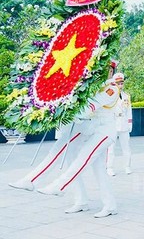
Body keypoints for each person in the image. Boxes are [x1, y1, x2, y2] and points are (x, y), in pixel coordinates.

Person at [10, 69, 121, 218]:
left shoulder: (111, 88)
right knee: (66, 152)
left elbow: (88, 108)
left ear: (111, 70)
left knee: (83, 158)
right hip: (89, 128)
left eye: (106, 68)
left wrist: (61, 112)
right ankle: (96, 203)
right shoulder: (90, 84)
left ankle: (60, 186)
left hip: (103, 131)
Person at [107, 73, 133, 176]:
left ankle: (127, 166)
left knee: (126, 147)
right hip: (113, 122)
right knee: (111, 148)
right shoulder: (109, 93)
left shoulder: (126, 96)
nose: (120, 85)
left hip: (123, 122)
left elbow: (129, 111)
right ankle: (109, 167)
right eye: (118, 83)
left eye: (122, 83)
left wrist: (130, 123)